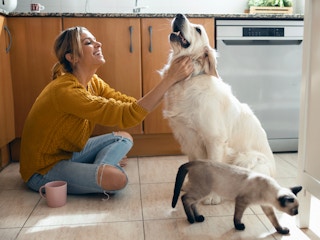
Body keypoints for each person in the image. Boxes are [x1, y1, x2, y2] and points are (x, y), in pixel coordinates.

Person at [19, 26, 193, 195]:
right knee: (118, 180)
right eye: (88, 42)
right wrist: (169, 78)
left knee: (123, 138)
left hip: (68, 154)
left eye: (95, 40)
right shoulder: (66, 91)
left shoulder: (92, 81)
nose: (98, 44)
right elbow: (129, 114)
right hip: (42, 169)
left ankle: (98, 168)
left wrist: (171, 82)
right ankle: (103, 168)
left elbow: (132, 106)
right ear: (72, 57)